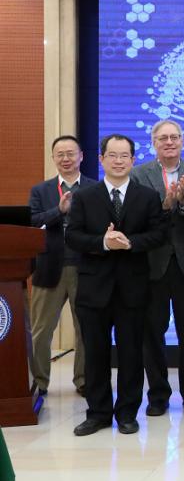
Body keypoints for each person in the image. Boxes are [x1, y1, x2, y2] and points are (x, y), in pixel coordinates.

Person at [65, 134, 166, 436]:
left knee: (132, 354)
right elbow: (73, 236)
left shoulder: (147, 196)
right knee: (95, 355)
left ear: (133, 160)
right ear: (101, 159)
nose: (119, 161)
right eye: (113, 155)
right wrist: (103, 243)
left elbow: (158, 234)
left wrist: (130, 242)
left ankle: (127, 414)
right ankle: (97, 414)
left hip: (133, 289)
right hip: (93, 289)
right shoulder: (85, 196)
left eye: (124, 156)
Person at [129, 119, 184, 416]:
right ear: (153, 143)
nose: (169, 142)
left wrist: (183, 203)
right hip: (152, 264)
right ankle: (158, 395)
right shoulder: (138, 175)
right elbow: (135, 218)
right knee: (152, 333)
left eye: (174, 137)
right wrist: (164, 205)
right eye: (163, 138)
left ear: (183, 141)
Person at [27, 135, 96, 397]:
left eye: (71, 153)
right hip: (48, 268)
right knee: (41, 331)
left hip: (85, 268)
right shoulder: (41, 190)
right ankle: (39, 382)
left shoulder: (94, 188)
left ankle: (84, 380)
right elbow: (33, 222)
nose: (66, 159)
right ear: (53, 158)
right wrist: (59, 211)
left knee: (86, 330)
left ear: (81, 156)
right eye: (60, 154)